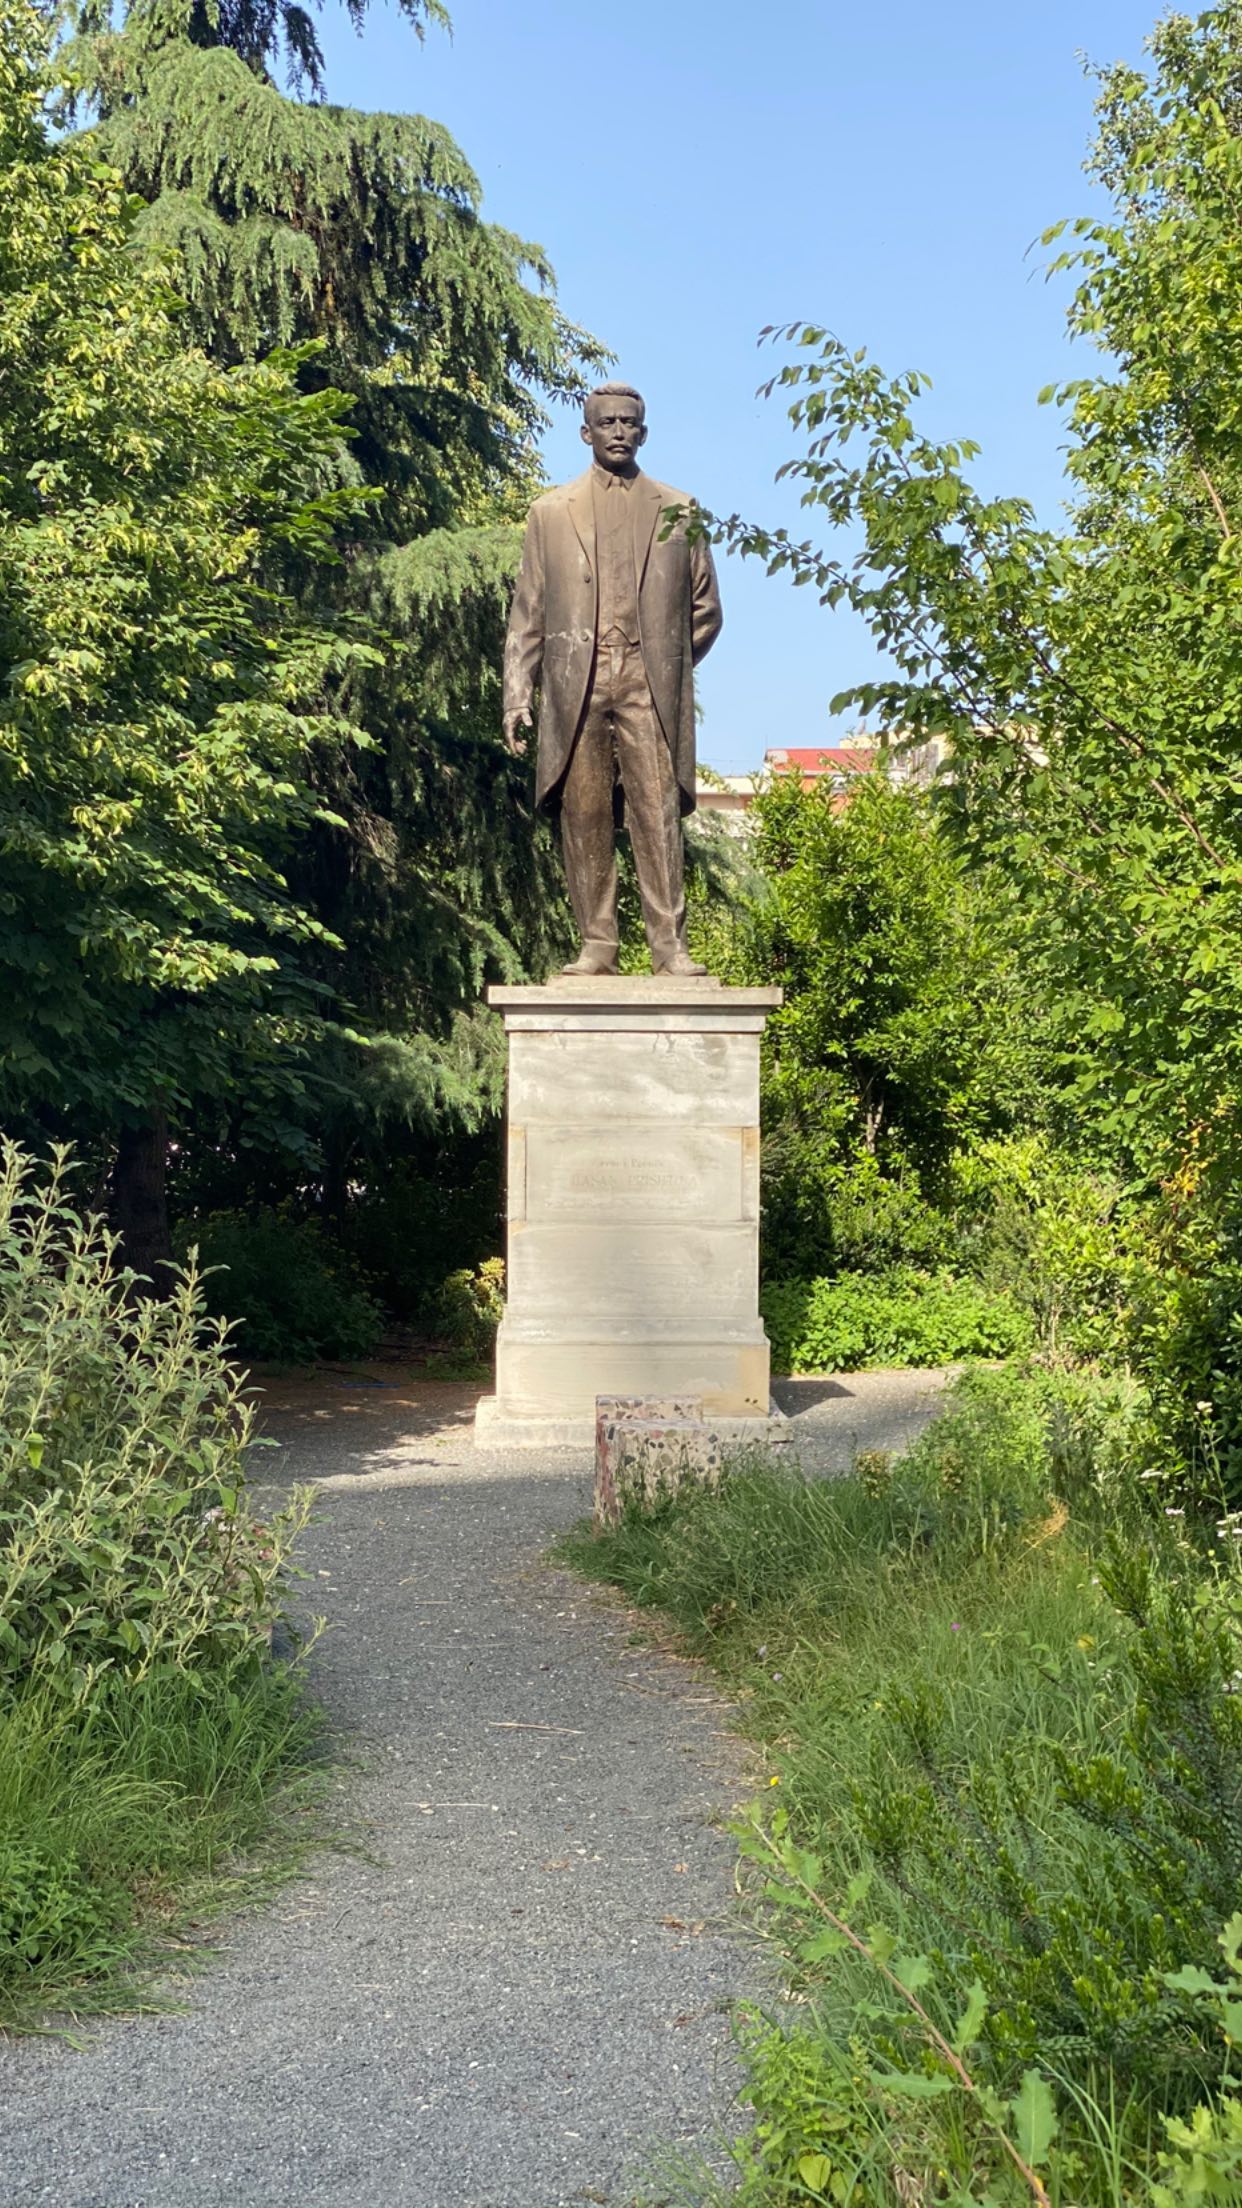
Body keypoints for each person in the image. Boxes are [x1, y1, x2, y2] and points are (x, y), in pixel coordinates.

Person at [502, 381, 723, 978]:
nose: (619, 431)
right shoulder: (550, 513)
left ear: (644, 432)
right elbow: (529, 613)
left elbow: (706, 610)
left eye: (630, 422)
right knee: (586, 816)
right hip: (578, 683)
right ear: (587, 432)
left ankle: (669, 947)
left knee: (656, 813)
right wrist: (516, 696)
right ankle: (597, 944)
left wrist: (666, 669)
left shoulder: (681, 510)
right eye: (608, 422)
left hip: (647, 685)